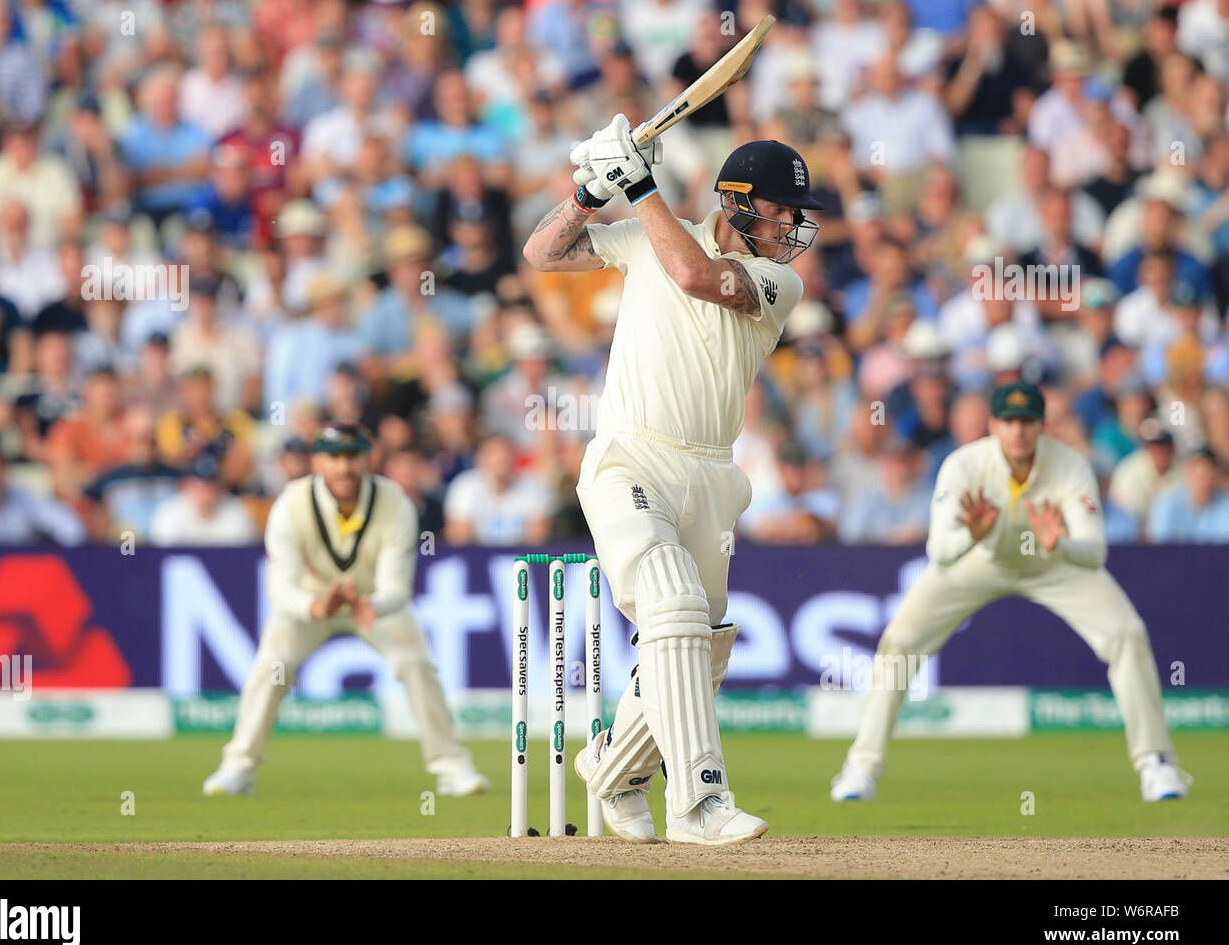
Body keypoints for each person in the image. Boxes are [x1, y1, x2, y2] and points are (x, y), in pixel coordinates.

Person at [523, 126, 822, 845]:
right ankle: (699, 802)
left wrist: (639, 187)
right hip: (630, 458)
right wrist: (588, 195)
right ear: (741, 204)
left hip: (713, 474)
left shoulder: (781, 282)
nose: (792, 229)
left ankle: (616, 770)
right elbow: (542, 254)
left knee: (700, 642)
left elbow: (694, 275)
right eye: (783, 213)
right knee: (674, 603)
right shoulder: (647, 235)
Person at [829, 383, 1191, 804]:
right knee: (900, 642)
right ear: (993, 425)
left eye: (1026, 422)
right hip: (977, 561)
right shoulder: (964, 465)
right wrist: (971, 534)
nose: (1017, 431)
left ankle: (1156, 763)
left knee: (1127, 634)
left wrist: (1061, 544)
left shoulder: (1071, 467)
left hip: (1052, 564)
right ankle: (861, 767)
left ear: (1042, 426)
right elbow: (939, 552)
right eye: (1009, 421)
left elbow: (1094, 554)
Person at [201, 421, 487, 798]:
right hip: (311, 604)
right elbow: (280, 588)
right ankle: (238, 767)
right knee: (271, 665)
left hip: (372, 605)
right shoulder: (290, 504)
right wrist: (314, 605)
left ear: (368, 459)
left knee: (416, 664)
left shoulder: (394, 502)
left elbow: (397, 588)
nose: (344, 468)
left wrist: (371, 604)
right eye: (334, 457)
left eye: (352, 456)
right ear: (317, 461)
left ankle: (452, 767)